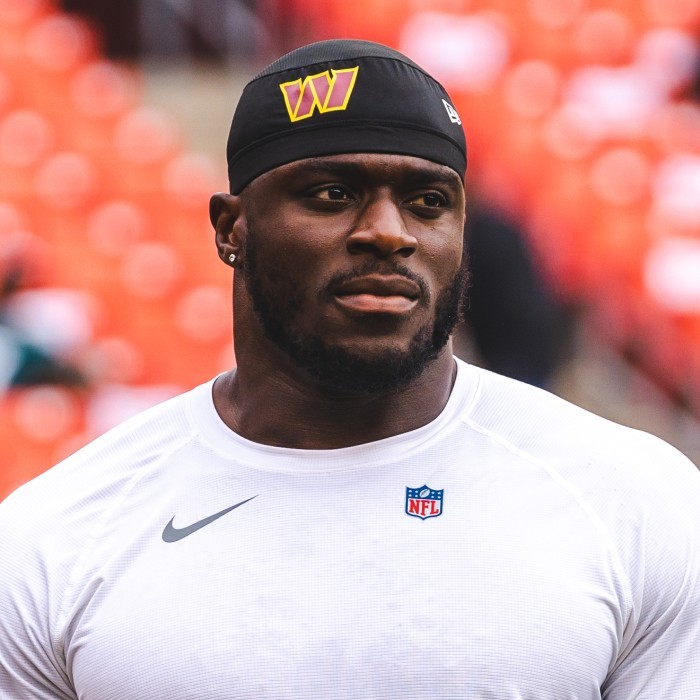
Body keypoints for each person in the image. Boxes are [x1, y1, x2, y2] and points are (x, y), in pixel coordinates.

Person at [0, 39, 699, 700]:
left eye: (428, 202)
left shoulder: (636, 502)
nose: (389, 232)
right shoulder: (55, 537)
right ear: (231, 228)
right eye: (333, 194)